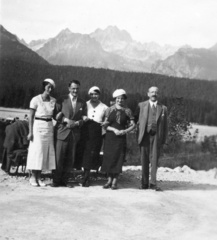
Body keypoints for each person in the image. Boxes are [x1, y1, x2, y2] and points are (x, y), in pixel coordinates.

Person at [52, 80, 87, 188]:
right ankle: (56, 180)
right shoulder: (62, 99)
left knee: (70, 159)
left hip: (74, 134)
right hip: (62, 132)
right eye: (73, 88)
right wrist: (65, 121)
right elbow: (55, 114)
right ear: (69, 88)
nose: (75, 90)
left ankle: (65, 180)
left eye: (77, 88)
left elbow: (84, 117)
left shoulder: (82, 102)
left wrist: (77, 123)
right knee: (59, 158)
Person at [134, 86, 168, 191]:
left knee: (154, 160)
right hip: (144, 136)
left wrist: (164, 140)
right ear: (148, 94)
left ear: (158, 94)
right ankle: (144, 183)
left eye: (156, 92)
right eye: (152, 92)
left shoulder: (163, 108)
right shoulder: (141, 105)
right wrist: (137, 134)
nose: (154, 94)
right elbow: (134, 120)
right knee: (144, 160)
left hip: (156, 137)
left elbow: (165, 125)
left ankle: (153, 183)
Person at [101, 89, 135, 190]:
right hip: (110, 137)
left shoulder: (128, 111)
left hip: (121, 138)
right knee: (109, 158)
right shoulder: (109, 110)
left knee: (118, 158)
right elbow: (104, 125)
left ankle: (115, 181)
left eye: (122, 99)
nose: (120, 101)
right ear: (115, 99)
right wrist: (114, 129)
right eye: (118, 99)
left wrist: (125, 131)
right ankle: (109, 180)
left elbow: (133, 125)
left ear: (124, 100)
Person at [26, 78, 56, 187]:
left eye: (52, 87)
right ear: (44, 87)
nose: (50, 89)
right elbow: (31, 116)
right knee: (37, 152)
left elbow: (56, 115)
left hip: (49, 127)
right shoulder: (35, 99)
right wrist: (30, 132)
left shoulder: (53, 100)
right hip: (38, 127)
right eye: (48, 86)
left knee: (44, 153)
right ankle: (33, 176)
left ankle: (39, 177)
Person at [81, 86, 108, 187]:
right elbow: (81, 114)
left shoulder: (104, 107)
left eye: (96, 94)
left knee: (93, 153)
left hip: (97, 131)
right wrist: (83, 117)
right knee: (85, 153)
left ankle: (87, 177)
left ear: (99, 95)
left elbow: (106, 119)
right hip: (86, 130)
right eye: (92, 94)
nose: (94, 96)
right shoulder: (85, 104)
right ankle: (85, 175)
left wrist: (104, 123)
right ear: (89, 95)